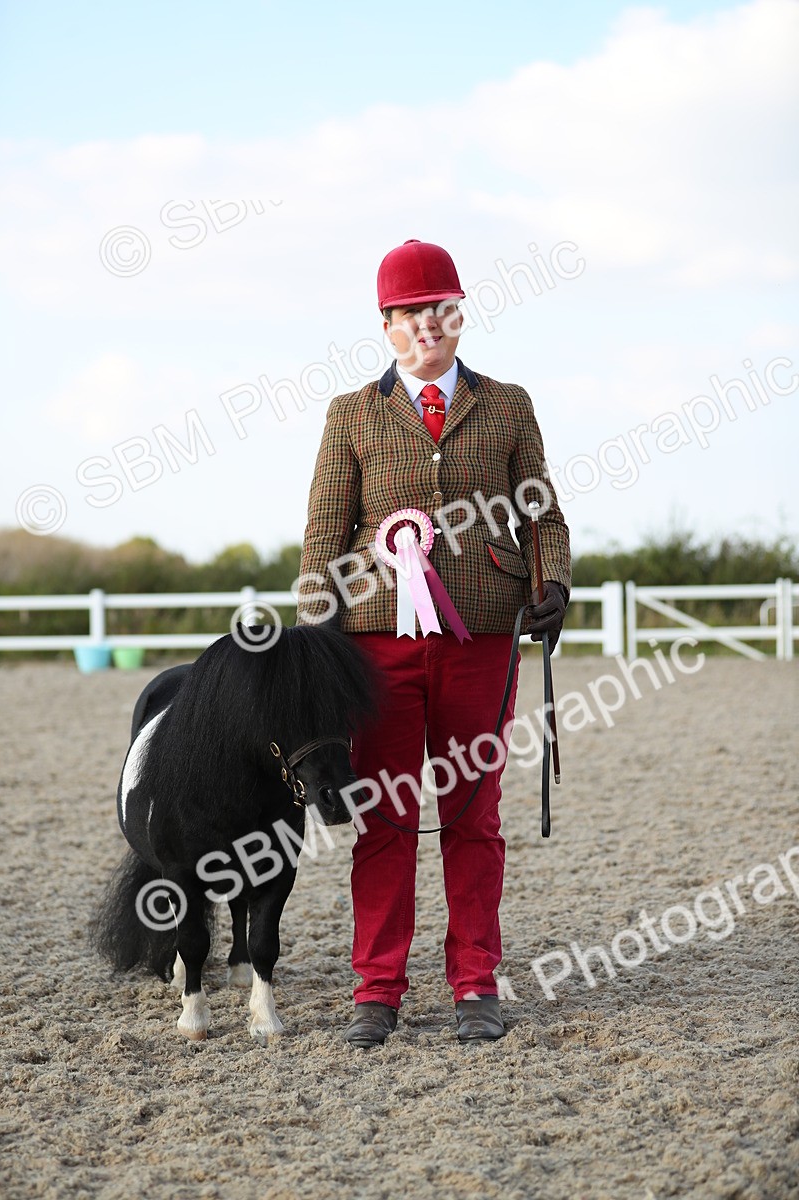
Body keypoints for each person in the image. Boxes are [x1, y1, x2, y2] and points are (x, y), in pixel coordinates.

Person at [297, 239, 571, 1046]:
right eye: (410, 315)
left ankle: (474, 983)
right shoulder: (351, 414)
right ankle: (376, 991)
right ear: (386, 326)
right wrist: (316, 620)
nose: (427, 327)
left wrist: (552, 580)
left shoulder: (509, 403)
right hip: (376, 640)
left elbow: (542, 513)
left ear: (459, 315)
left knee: (473, 814)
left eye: (439, 311)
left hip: (482, 632)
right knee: (385, 818)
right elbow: (325, 529)